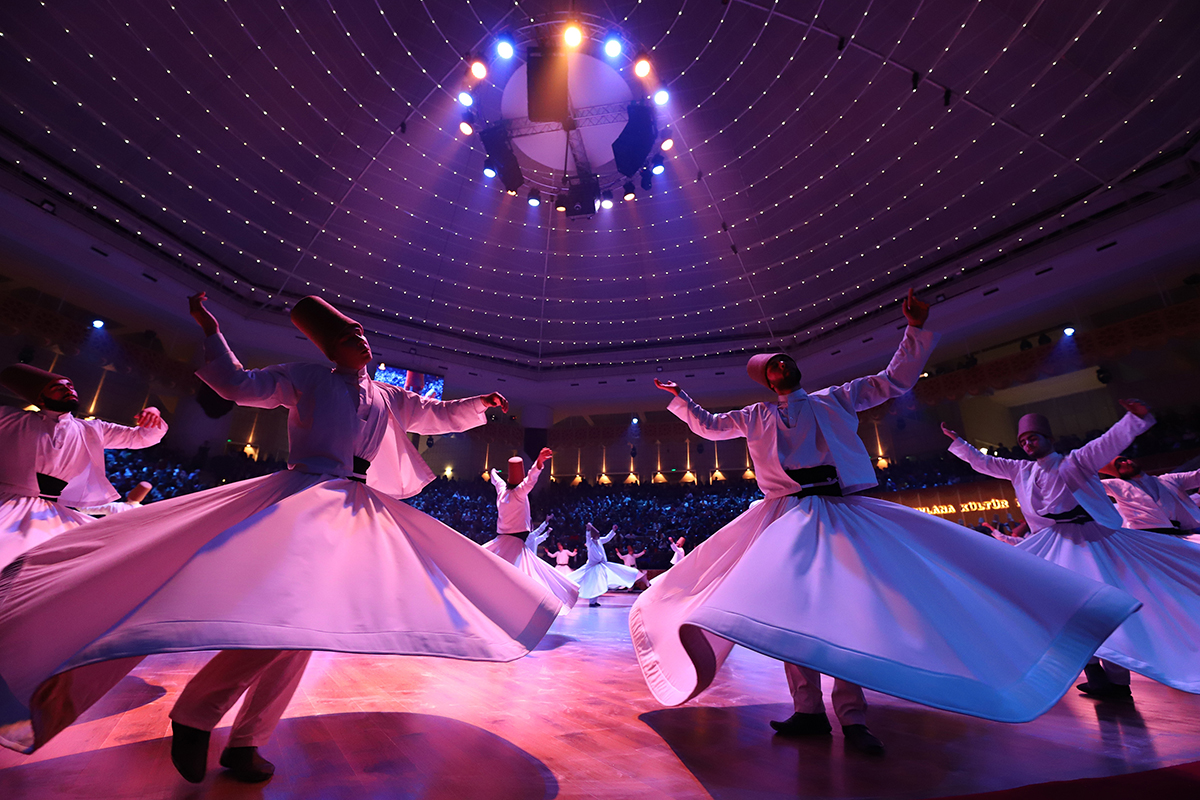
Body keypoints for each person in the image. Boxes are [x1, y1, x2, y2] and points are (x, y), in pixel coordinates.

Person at [0, 294, 560, 784]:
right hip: (305, 496)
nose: (361, 340)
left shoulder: (388, 396)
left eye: (361, 333)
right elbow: (238, 385)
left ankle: (247, 740)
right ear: (330, 348)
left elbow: (436, 414)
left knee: (304, 628)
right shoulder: (307, 377)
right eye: (349, 336)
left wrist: (479, 404)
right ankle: (197, 713)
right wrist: (212, 331)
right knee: (286, 616)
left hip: (356, 504)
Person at [630, 290, 1139, 755]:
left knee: (843, 609)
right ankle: (808, 711)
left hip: (839, 510)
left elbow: (894, 381)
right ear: (766, 379)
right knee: (786, 610)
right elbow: (709, 427)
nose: (782, 365)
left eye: (786, 360)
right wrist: (681, 397)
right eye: (773, 365)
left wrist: (914, 330)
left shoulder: (834, 398)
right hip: (786, 514)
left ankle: (852, 715)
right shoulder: (754, 416)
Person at [945, 408, 1200, 701]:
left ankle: (1118, 682)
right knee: (1064, 611)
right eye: (1023, 441)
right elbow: (985, 463)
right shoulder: (1022, 470)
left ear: (1049, 438)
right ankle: (1096, 676)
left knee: (1102, 610)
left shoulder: (1076, 461)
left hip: (1093, 540)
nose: (1027, 444)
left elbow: (1108, 442)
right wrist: (959, 443)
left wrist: (1134, 419)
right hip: (1054, 541)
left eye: (1033, 438)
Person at [0, 365, 166, 567]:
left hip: (50, 513)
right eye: (58, 387)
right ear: (41, 399)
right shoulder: (11, 418)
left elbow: (142, 438)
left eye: (70, 386)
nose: (68, 389)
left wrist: (154, 414)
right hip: (8, 502)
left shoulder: (92, 429)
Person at [482, 451, 579, 614]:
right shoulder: (520, 492)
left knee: (499, 573)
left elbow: (495, 478)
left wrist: (493, 471)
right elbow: (531, 479)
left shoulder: (501, 490)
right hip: (515, 544)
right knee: (525, 578)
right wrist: (539, 462)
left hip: (502, 541)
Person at [1098, 456, 1200, 539]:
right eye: (1119, 466)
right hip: (1148, 539)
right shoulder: (1116, 485)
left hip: (1180, 535)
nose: (1125, 463)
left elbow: (1197, 476)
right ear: (1116, 473)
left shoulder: (1169, 480)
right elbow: (1090, 485)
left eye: (1123, 460)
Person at [568, 523, 640, 607]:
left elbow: (607, 538)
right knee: (591, 583)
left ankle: (593, 601)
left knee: (598, 583)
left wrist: (613, 530)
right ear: (594, 536)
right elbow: (587, 537)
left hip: (600, 565)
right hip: (592, 566)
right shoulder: (590, 542)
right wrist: (588, 530)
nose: (599, 535)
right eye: (597, 534)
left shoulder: (599, 540)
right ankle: (591, 601)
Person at [77, 481, 154, 517]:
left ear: (128, 495)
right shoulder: (144, 512)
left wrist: (74, 498)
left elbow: (85, 509)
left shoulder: (115, 507)